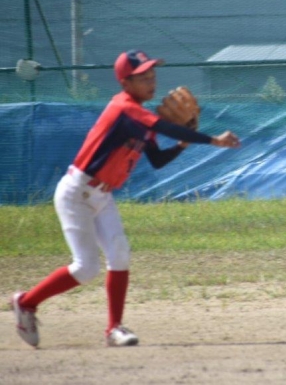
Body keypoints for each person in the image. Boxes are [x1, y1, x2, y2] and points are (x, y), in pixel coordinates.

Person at [11, 49, 241, 348]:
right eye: (143, 77)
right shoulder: (126, 108)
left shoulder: (142, 119)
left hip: (103, 196)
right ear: (125, 83)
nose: (151, 82)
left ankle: (114, 329)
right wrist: (213, 140)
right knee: (86, 268)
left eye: (152, 75)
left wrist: (183, 144)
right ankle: (26, 302)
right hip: (76, 194)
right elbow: (162, 127)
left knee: (119, 255)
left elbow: (157, 159)